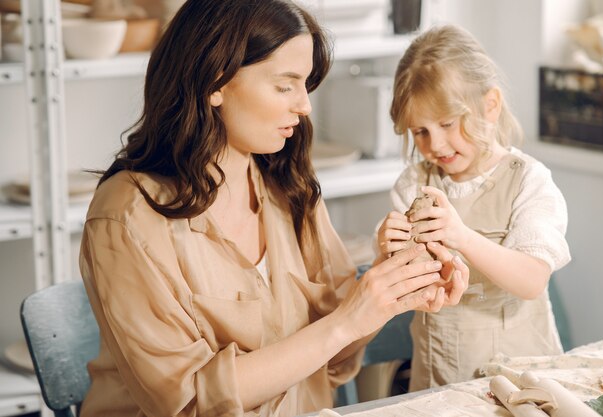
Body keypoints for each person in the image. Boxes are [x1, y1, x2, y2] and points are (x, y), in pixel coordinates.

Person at [78, 2, 470, 416]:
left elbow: (333, 359)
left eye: (305, 85)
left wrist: (391, 289)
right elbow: (188, 402)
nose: (304, 106)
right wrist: (348, 320)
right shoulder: (126, 216)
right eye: (285, 86)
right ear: (215, 82)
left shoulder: (287, 185)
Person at [376, 24, 572, 391]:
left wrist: (461, 237)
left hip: (522, 390)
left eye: (448, 124)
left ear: (490, 105)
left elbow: (531, 280)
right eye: (420, 131)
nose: (435, 143)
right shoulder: (412, 185)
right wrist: (387, 252)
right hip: (438, 384)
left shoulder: (528, 180)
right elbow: (405, 286)